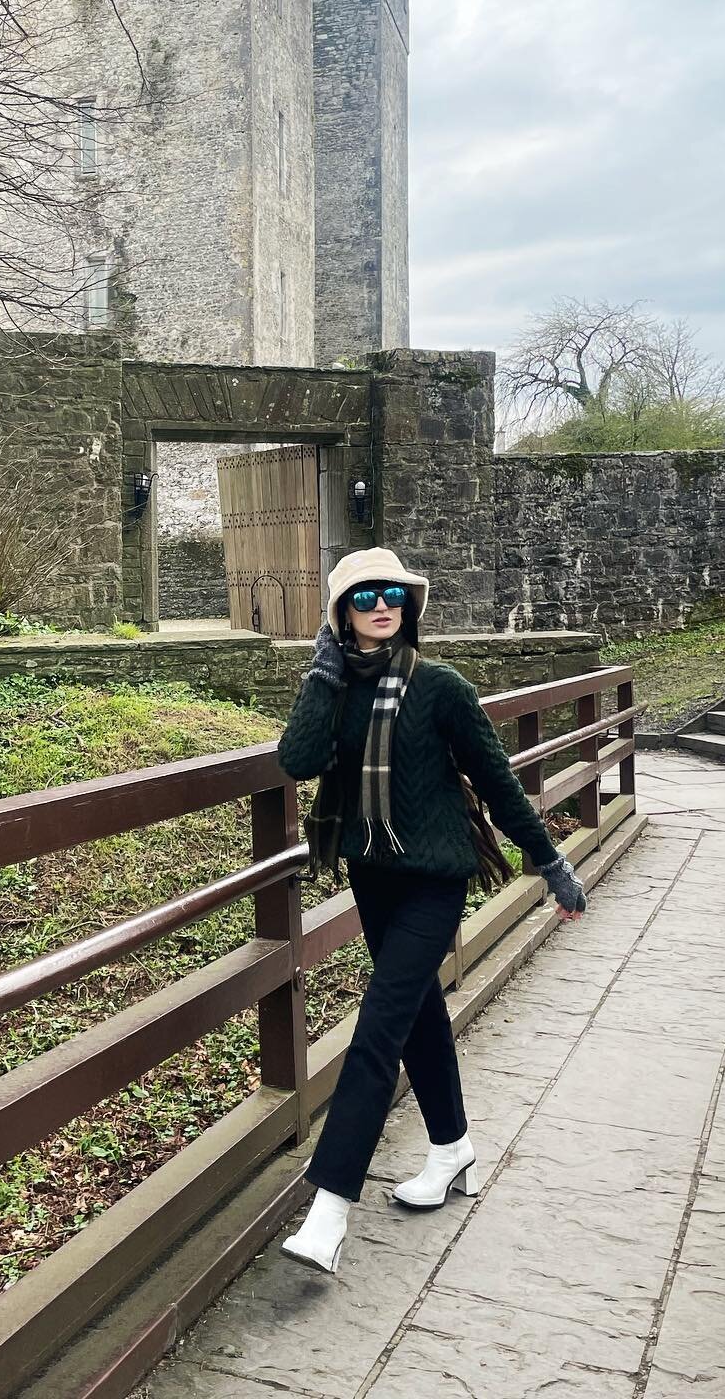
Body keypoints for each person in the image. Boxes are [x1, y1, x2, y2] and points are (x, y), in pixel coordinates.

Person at [277, 546, 588, 1275]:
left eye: (392, 593)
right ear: (341, 617)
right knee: (414, 1013)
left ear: (408, 605)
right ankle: (453, 1150)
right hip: (372, 875)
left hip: (434, 879)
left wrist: (548, 860)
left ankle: (329, 1206)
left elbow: (497, 781)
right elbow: (297, 759)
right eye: (363, 597)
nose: (382, 604)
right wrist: (323, 674)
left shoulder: (442, 687)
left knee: (380, 1024)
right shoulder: (336, 687)